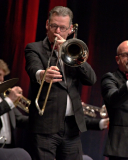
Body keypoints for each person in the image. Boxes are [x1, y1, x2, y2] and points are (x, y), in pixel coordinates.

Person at [25, 6, 96, 160]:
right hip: (45, 127)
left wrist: (72, 54)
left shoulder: (75, 51)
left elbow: (91, 79)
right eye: (53, 26)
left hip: (71, 128)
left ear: (70, 29)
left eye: (62, 28)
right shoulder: (34, 48)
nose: (57, 31)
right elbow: (33, 68)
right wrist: (42, 74)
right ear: (46, 25)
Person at [0, 58, 28, 148]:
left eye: (3, 76)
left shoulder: (3, 96)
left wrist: (38, 118)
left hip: (8, 146)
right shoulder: (7, 99)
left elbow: (19, 119)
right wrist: (9, 100)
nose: (1, 79)